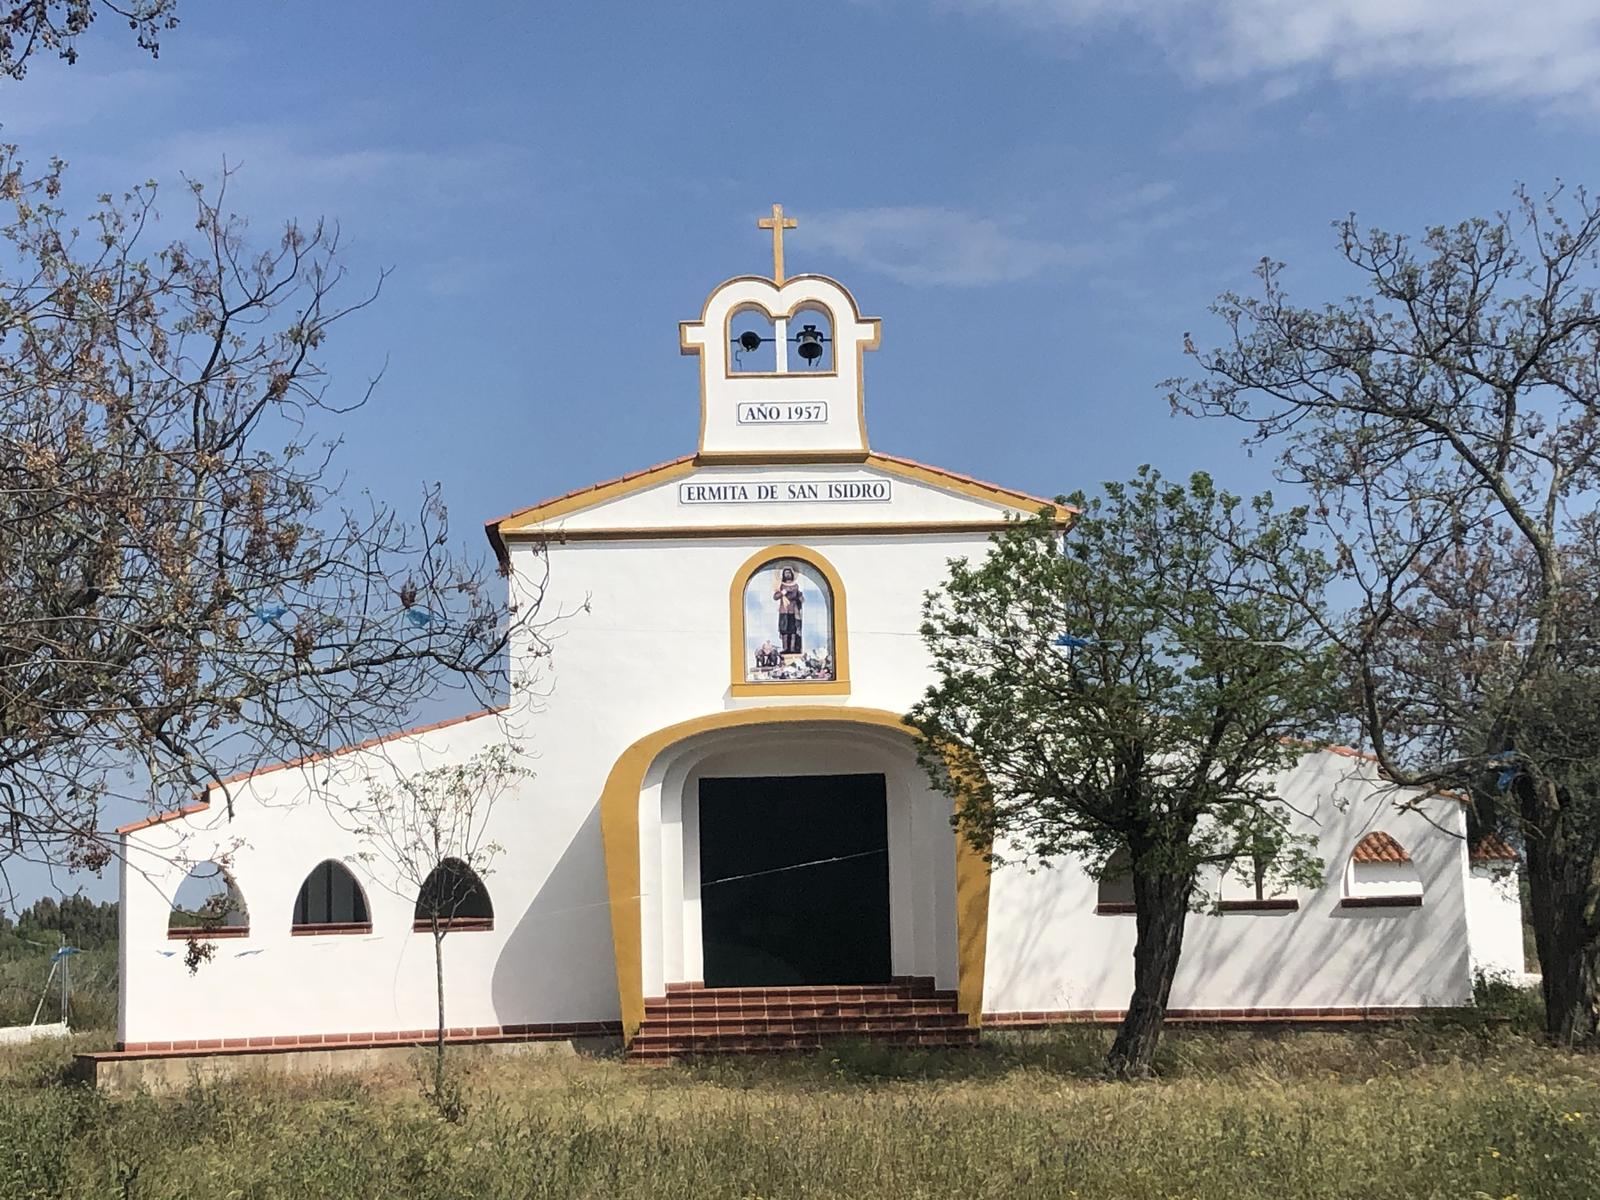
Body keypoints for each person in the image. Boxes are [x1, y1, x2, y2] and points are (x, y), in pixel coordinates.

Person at [773, 567, 804, 655]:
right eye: (786, 573)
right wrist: (782, 592)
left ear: (792, 574)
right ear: (783, 575)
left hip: (793, 611)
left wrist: (799, 596)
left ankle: (792, 648)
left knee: (793, 630)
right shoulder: (781, 585)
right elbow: (775, 597)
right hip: (784, 610)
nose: (787, 574)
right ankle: (786, 648)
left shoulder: (795, 586)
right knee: (784, 630)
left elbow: (797, 596)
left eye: (789, 573)